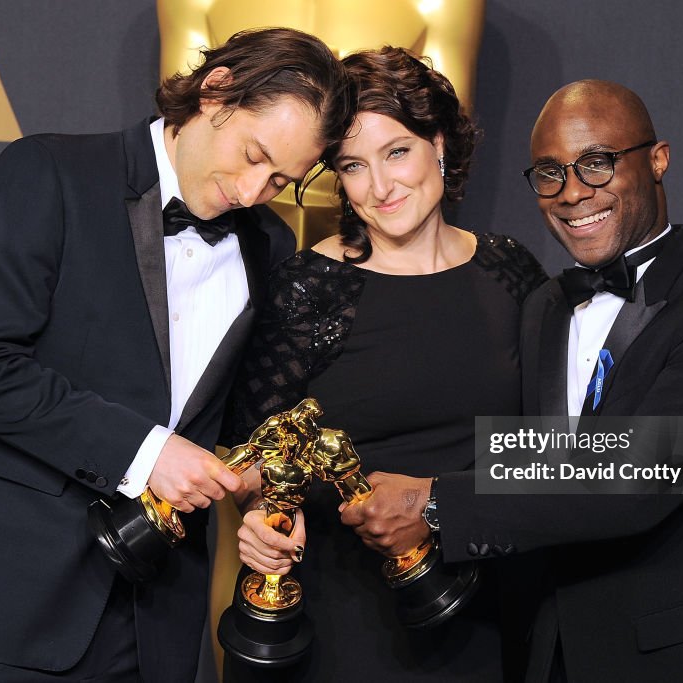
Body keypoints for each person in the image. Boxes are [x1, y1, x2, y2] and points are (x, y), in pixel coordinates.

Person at [0, 28, 353, 682]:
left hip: (155, 627)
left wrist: (258, 502)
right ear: (214, 89)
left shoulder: (269, 246)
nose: (255, 190)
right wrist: (147, 453)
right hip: (5, 603)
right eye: (254, 155)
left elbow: (247, 425)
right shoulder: (50, 172)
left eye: (279, 178)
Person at [343, 79, 683, 681]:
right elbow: (539, 460)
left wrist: (433, 501)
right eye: (550, 173)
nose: (575, 192)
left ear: (657, 160)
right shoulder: (544, 308)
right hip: (549, 656)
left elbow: (639, 472)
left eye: (597, 164)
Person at [224, 47, 546, 681]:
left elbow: (551, 439)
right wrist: (261, 519)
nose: (380, 186)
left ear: (440, 141)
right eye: (352, 166)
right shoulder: (309, 287)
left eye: (397, 151)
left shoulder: (511, 270)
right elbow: (252, 453)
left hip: (481, 614)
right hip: (342, 625)